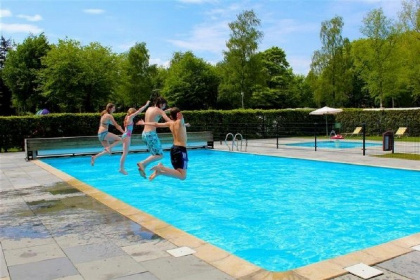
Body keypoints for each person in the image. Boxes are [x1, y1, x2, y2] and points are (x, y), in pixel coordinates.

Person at [138, 107, 188, 181]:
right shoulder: (180, 122)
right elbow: (181, 119)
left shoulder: (170, 123)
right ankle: (161, 169)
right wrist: (179, 116)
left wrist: (144, 123)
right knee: (182, 176)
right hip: (180, 150)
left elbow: (156, 124)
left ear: (171, 116)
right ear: (178, 115)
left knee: (180, 173)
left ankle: (160, 171)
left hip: (174, 149)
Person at [136, 97, 171, 178]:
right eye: (164, 106)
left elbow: (154, 116)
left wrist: (165, 111)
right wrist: (180, 124)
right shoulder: (160, 110)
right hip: (151, 135)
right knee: (160, 155)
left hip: (144, 134)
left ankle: (143, 167)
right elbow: (168, 120)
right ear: (161, 104)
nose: (164, 107)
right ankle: (143, 163)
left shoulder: (149, 109)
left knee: (154, 155)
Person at [119, 100, 151, 175]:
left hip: (125, 135)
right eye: (134, 112)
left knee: (124, 153)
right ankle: (121, 168)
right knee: (125, 153)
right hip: (127, 136)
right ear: (132, 113)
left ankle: (121, 168)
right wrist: (146, 105)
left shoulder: (126, 117)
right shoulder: (130, 117)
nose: (135, 114)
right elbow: (140, 110)